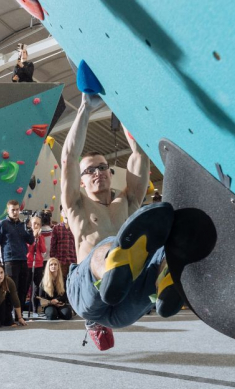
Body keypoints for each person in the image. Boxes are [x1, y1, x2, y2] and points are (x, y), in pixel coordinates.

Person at [60, 93, 179, 350]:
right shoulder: (76, 204)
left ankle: (168, 279)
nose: (98, 173)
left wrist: (122, 102)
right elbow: (69, 157)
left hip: (125, 307)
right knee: (110, 244)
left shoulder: (128, 201)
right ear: (81, 181)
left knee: (163, 247)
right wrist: (85, 107)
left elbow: (138, 152)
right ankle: (114, 268)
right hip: (88, 298)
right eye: (90, 170)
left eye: (102, 167)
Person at [0, 200, 34, 310]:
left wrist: (29, 229)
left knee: (23, 288)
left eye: (17, 210)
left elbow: (31, 241)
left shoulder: (22, 224)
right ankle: (9, 314)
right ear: (8, 211)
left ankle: (19, 314)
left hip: (23, 260)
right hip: (10, 261)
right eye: (13, 210)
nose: (15, 212)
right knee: (11, 288)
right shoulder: (2, 224)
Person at [25, 212, 47, 313]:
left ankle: (35, 309)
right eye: (34, 223)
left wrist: (39, 239)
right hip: (29, 264)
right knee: (26, 286)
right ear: (30, 224)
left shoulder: (41, 237)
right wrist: (33, 238)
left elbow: (43, 250)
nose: (36, 226)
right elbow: (28, 250)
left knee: (37, 288)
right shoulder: (27, 235)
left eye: (38, 224)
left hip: (39, 264)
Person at [49, 209, 77, 283]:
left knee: (72, 283)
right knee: (60, 283)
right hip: (60, 261)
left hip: (73, 261)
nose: (66, 213)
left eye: (67, 211)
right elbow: (53, 246)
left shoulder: (75, 227)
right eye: (64, 211)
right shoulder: (56, 228)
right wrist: (53, 260)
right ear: (61, 213)